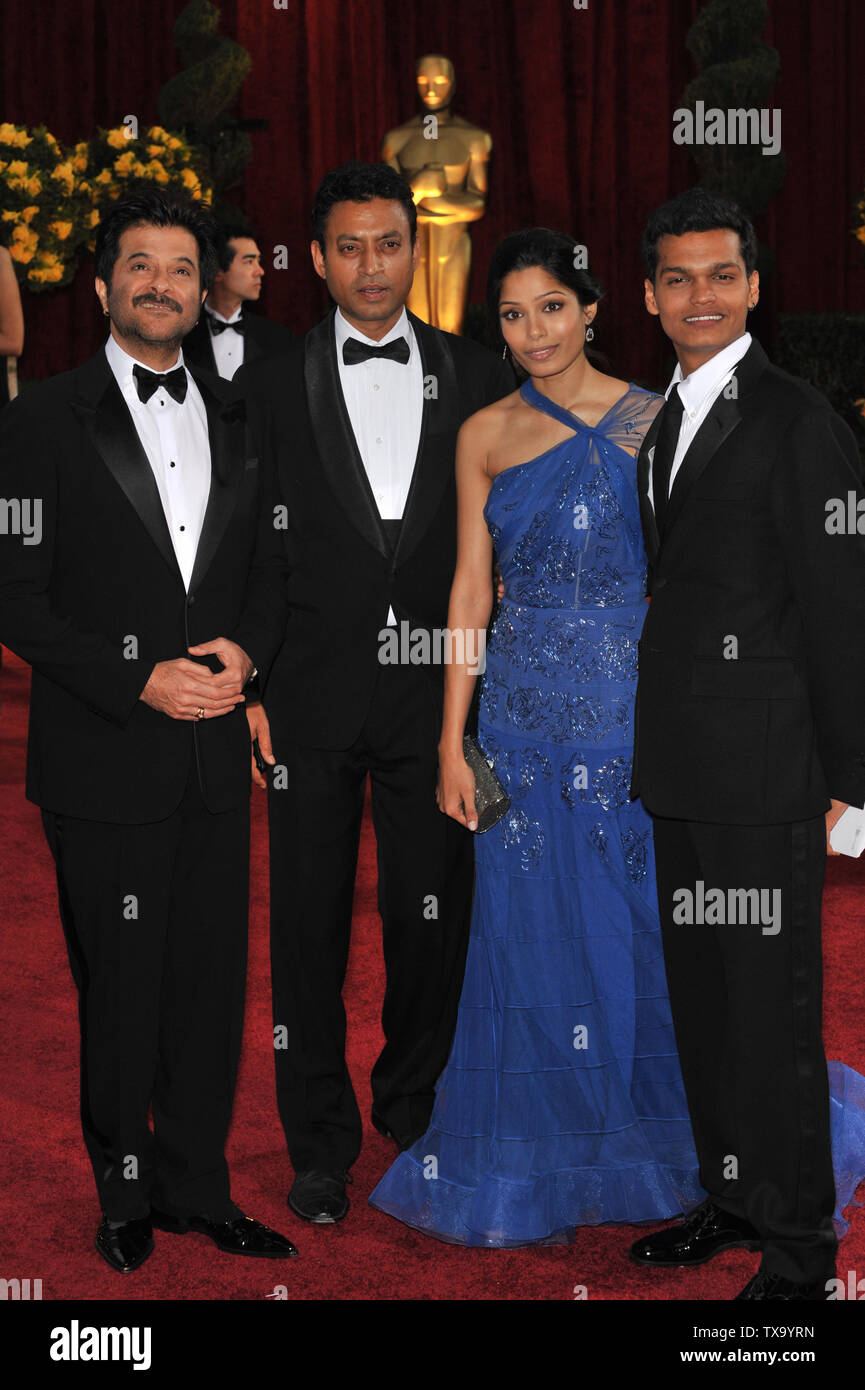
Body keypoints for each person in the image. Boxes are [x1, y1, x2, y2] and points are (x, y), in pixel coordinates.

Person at [369, 227, 865, 1260]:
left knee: (663, 954)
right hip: (519, 723)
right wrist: (451, 737)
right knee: (531, 943)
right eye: (511, 313)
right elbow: (468, 591)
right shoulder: (482, 433)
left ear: (594, 308)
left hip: (649, 725)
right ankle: (558, 1153)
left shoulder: (662, 417)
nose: (534, 330)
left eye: (552, 306)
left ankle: (712, 1171)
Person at [0, 189, 296, 1273]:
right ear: (102, 285)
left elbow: (272, 564)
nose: (161, 282)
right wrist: (140, 680)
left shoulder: (242, 411)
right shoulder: (39, 420)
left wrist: (243, 656)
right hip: (104, 753)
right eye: (140, 264)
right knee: (119, 988)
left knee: (211, 988)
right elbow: (16, 592)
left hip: (216, 749)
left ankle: (199, 1187)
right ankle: (123, 1191)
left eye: (180, 265)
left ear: (202, 283)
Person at [235, 162, 513, 1225]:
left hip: (434, 705)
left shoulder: (479, 375)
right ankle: (317, 1144)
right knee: (305, 929)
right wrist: (247, 675)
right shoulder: (265, 383)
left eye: (388, 242)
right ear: (314, 259)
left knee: (428, 918)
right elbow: (234, 544)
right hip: (306, 697)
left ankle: (411, 1104)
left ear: (418, 247)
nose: (369, 265)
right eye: (347, 246)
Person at [628, 187, 865, 1300]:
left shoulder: (798, 421)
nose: (699, 295)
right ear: (648, 296)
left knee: (770, 1015)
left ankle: (799, 1248)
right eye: (677, 277)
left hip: (770, 775)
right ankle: (730, 1194)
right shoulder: (661, 416)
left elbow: (839, 608)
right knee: (706, 999)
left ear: (756, 287)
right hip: (684, 771)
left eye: (720, 274)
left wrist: (849, 779)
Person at [182, 223, 292, 380]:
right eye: (249, 261)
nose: (260, 271)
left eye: (258, 261)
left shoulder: (277, 337)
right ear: (218, 271)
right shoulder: (183, 334)